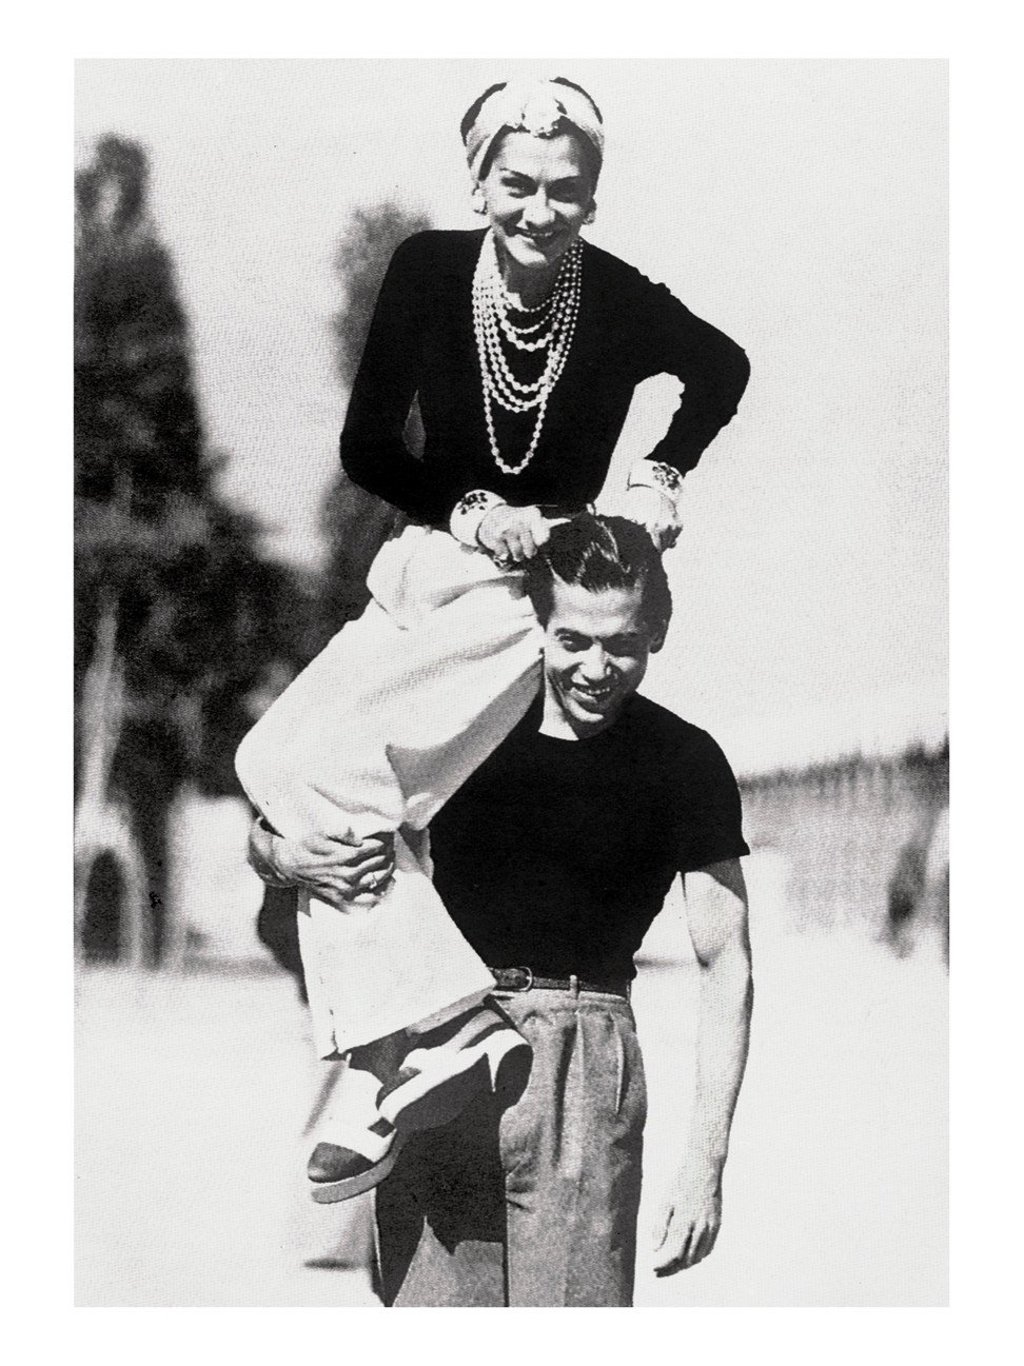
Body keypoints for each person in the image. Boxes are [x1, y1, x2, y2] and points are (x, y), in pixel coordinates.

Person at [236, 76, 750, 1204]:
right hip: (435, 557)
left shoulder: (611, 298)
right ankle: (424, 1042)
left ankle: (408, 1056)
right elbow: (370, 444)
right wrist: (469, 506)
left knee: (349, 785)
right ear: (478, 180)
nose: (537, 210)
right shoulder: (426, 270)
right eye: (515, 184)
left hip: (531, 592)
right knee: (268, 764)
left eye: (566, 193)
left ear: (592, 201)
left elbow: (722, 366)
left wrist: (661, 473)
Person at [255, 515, 754, 1306]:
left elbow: (725, 958)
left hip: (583, 1064)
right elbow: (325, 793)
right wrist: (279, 855)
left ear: (656, 632)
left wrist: (706, 1165)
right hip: (442, 1051)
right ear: (538, 625)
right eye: (572, 640)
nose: (596, 667)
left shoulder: (684, 760)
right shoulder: (462, 724)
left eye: (621, 643)